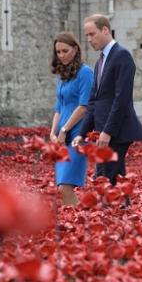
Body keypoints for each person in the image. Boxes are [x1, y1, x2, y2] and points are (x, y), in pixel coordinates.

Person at [71, 14, 142, 201]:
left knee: (104, 179)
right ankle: (125, 220)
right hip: (106, 130)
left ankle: (107, 222)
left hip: (117, 131)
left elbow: (122, 99)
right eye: (87, 35)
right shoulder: (99, 63)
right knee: (116, 180)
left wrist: (107, 132)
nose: (89, 40)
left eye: (92, 34)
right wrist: (82, 133)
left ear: (105, 30)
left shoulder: (122, 56)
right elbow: (93, 102)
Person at [49, 31, 94, 206]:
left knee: (65, 188)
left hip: (78, 137)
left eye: (65, 51)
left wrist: (64, 130)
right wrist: (53, 133)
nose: (61, 56)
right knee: (61, 190)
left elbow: (84, 106)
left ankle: (82, 225)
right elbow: (59, 107)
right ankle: (79, 225)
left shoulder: (85, 73)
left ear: (75, 49)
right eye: (58, 52)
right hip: (62, 138)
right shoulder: (62, 75)